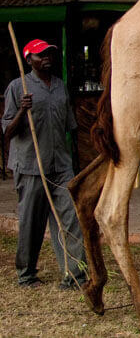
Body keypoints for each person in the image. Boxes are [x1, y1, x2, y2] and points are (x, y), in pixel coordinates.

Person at [2, 39, 86, 288]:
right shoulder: (18, 87)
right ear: (28, 60)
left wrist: (76, 164)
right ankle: (26, 275)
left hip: (61, 166)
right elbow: (7, 132)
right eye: (40, 55)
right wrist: (21, 111)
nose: (46, 57)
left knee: (70, 220)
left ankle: (75, 275)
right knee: (31, 222)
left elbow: (71, 127)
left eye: (49, 53)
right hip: (30, 165)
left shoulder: (60, 87)